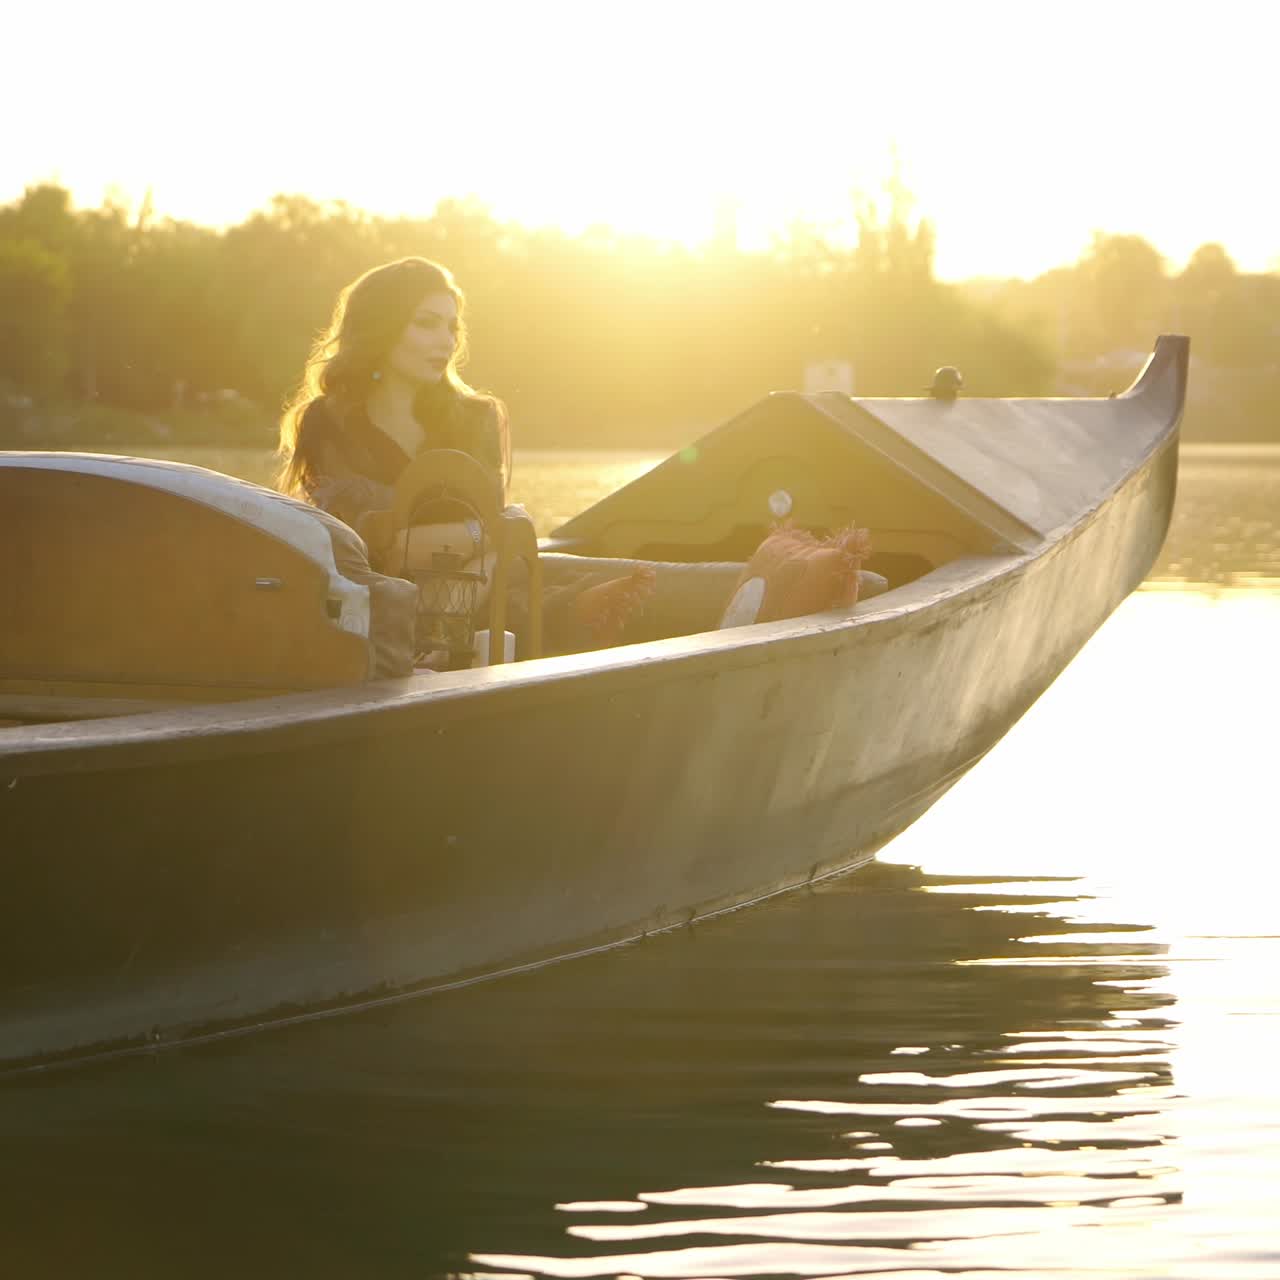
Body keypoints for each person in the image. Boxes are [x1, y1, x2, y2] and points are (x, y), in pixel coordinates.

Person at [277, 257, 653, 664]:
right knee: (489, 559)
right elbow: (364, 545)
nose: (447, 341)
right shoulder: (328, 421)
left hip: (478, 583)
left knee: (491, 568)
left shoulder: (477, 417)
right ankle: (560, 613)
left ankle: (448, 640)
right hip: (376, 595)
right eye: (426, 323)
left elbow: (485, 526)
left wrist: (471, 538)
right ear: (380, 327)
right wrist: (480, 534)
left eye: (452, 327)